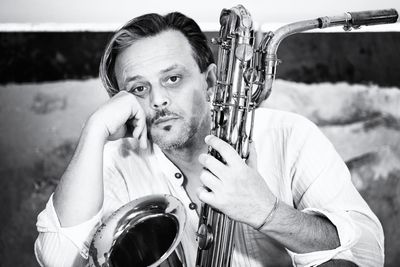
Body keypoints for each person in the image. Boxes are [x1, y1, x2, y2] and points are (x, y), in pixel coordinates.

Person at [34, 11, 384, 267]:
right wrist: (94, 131)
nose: (157, 100)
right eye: (139, 88)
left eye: (172, 79)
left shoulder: (290, 135)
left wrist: (268, 213)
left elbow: (367, 253)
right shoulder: (114, 161)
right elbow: (58, 259)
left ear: (212, 81)